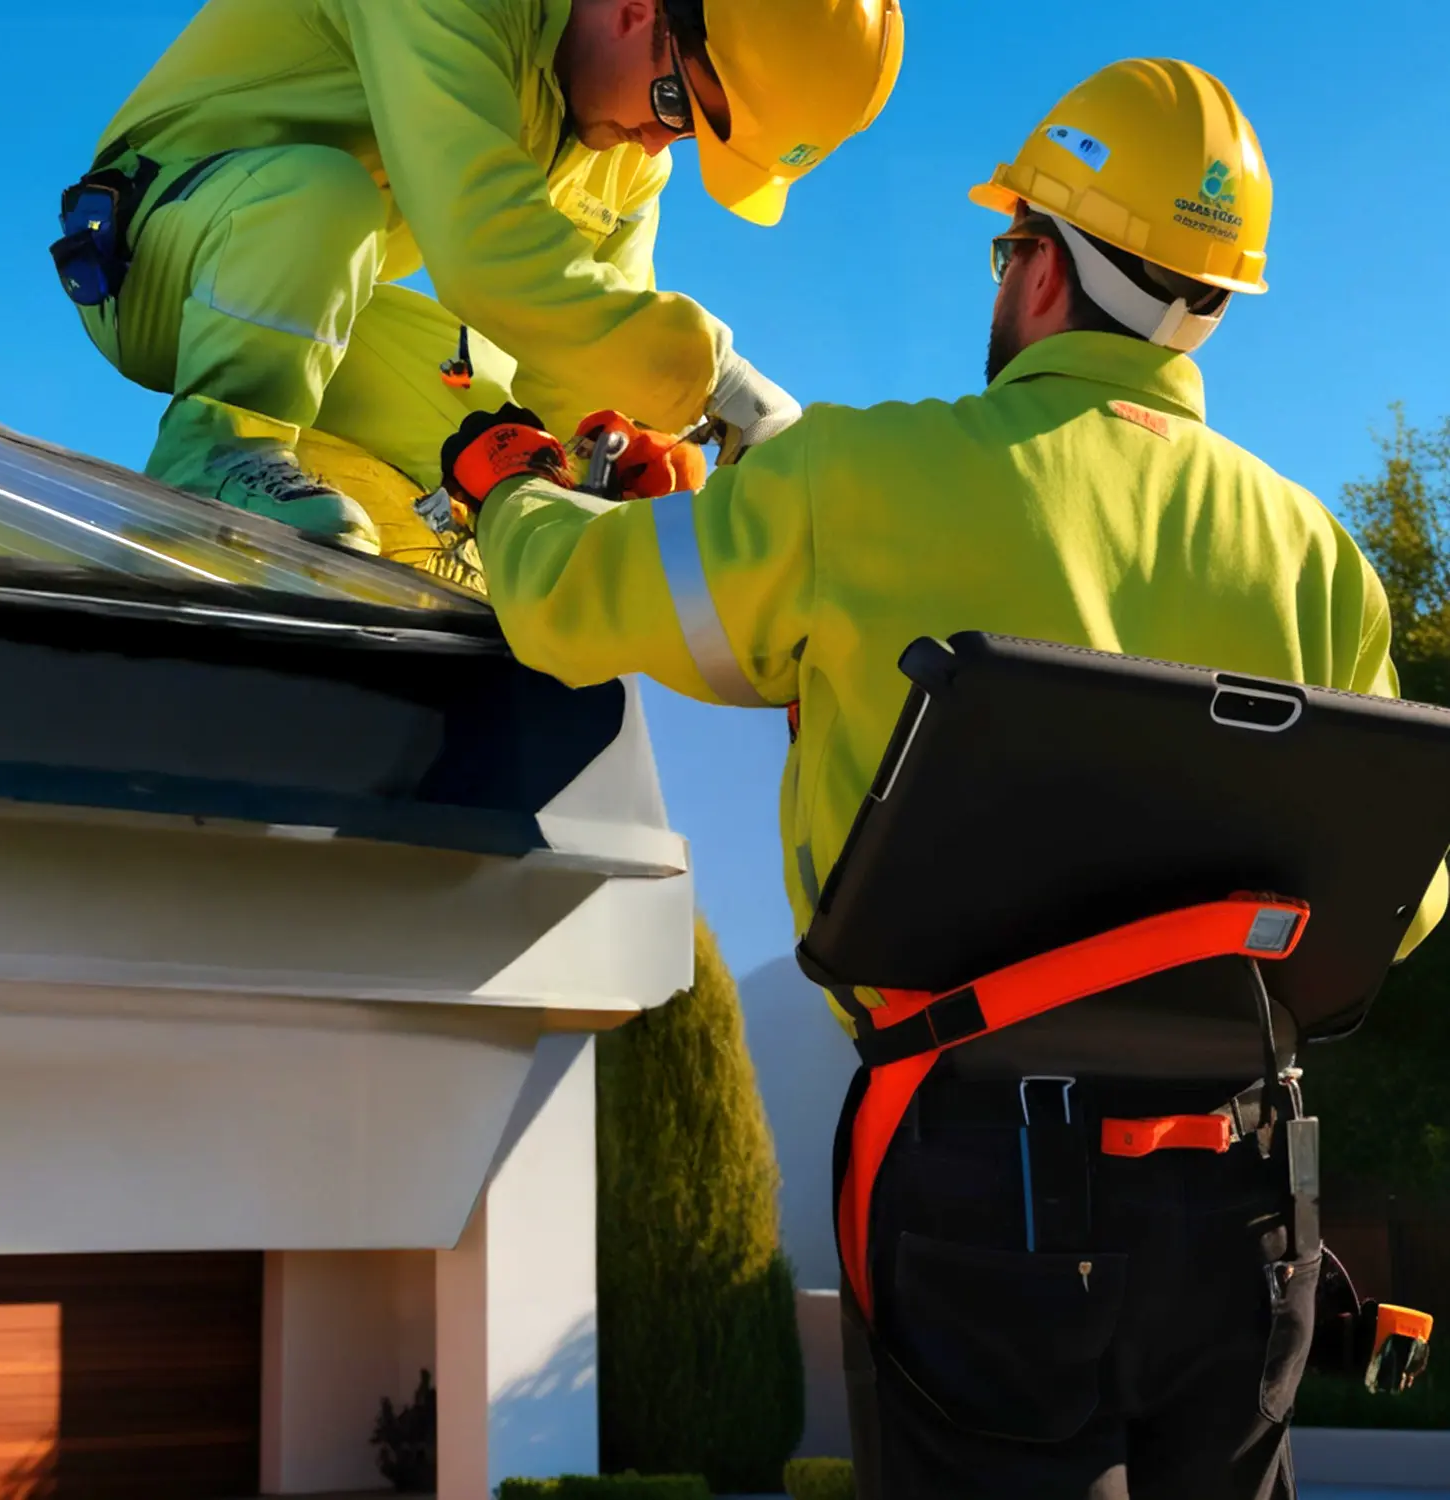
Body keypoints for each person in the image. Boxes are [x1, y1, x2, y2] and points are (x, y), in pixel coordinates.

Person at [432, 56, 1448, 1498]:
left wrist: (509, 488)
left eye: (1008, 244)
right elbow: (1398, 909)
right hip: (1243, 1203)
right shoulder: (1315, 561)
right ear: (1209, 302)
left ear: (1040, 267)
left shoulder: (857, 480)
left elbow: (580, 605)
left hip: (985, 1181)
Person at [50, 0, 903, 553]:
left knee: (495, 426)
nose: (655, 144)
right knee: (323, 197)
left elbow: (575, 360)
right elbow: (484, 250)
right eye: (677, 106)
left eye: (686, 137)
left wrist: (627, 459)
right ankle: (218, 451)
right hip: (161, 249)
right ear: (640, 7)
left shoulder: (624, 155)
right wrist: (720, 385)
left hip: (319, 306)